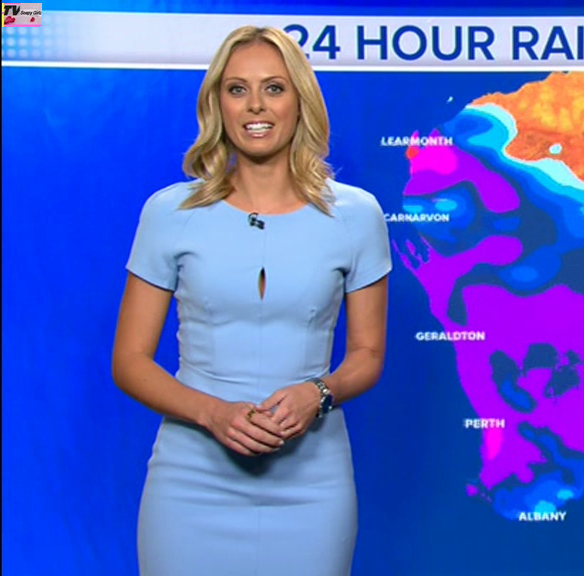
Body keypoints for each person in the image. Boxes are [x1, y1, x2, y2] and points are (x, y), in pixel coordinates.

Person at [111, 25, 391, 576]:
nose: (256, 105)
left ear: (300, 101)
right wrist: (213, 414)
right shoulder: (170, 213)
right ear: (218, 103)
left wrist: (318, 393)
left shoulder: (357, 216)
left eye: (274, 88)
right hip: (190, 482)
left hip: (313, 485)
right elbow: (130, 361)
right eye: (237, 89)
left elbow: (368, 356)